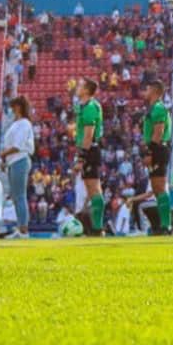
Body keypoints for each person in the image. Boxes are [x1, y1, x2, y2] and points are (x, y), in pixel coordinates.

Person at [0, 95, 35, 238]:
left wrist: (3, 154)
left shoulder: (24, 123)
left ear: (18, 107)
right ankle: (21, 225)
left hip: (20, 159)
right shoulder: (17, 123)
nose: (12, 110)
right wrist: (5, 159)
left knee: (20, 196)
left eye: (13, 107)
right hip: (13, 161)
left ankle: (23, 229)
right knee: (16, 196)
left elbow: (17, 146)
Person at [141, 78, 172, 235]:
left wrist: (149, 152)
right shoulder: (153, 108)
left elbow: (158, 132)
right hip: (156, 149)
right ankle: (163, 224)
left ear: (154, 91)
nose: (145, 92)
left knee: (159, 187)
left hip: (158, 149)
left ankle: (166, 225)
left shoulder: (159, 108)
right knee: (156, 187)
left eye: (147, 89)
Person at [75, 78, 105, 235]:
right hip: (88, 150)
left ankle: (98, 228)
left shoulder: (90, 107)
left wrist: (81, 158)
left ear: (86, 90)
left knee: (94, 190)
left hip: (90, 150)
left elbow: (88, 135)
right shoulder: (84, 106)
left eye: (80, 85)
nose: (77, 87)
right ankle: (96, 226)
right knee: (92, 189)